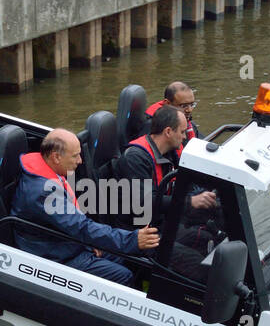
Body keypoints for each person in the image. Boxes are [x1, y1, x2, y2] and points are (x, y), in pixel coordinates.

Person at [12, 129, 159, 286]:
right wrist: (132, 240)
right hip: (55, 254)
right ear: (56, 157)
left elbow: (72, 223)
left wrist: (89, 243)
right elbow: (81, 227)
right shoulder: (44, 193)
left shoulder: (48, 172)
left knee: (130, 257)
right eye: (75, 155)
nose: (80, 161)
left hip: (65, 243)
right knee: (123, 275)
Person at [115, 105, 221, 281]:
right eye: (181, 131)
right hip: (139, 233)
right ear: (168, 132)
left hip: (161, 223)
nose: (185, 136)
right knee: (196, 263)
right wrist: (190, 202)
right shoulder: (134, 158)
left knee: (205, 238)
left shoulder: (169, 154)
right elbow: (143, 201)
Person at [143, 80, 199, 153]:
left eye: (192, 104)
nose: (189, 110)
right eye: (183, 106)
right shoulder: (151, 127)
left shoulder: (191, 126)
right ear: (167, 103)